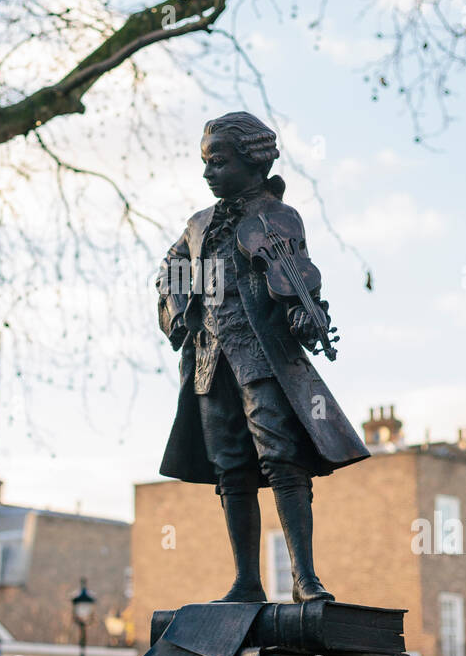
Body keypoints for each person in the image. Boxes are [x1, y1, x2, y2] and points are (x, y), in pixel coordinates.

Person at [157, 111, 369, 602]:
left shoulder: (277, 216)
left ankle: (305, 579)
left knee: (283, 462)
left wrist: (302, 313)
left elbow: (294, 276)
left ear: (252, 163)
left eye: (218, 163)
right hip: (212, 363)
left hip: (262, 359)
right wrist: (182, 309)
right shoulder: (198, 226)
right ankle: (246, 583)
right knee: (231, 470)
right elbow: (170, 275)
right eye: (205, 164)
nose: (208, 173)